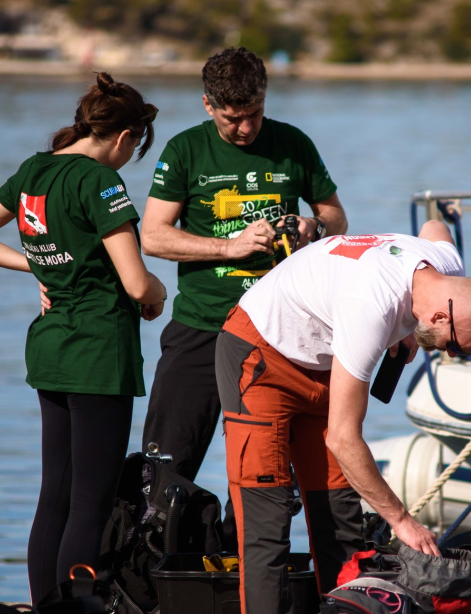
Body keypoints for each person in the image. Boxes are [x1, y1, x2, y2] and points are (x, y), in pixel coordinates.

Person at [215, 220, 471, 614]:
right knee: (267, 524)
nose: (446, 354)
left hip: (322, 365)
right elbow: (343, 438)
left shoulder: (445, 270)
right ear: (440, 316)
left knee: (341, 516)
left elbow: (435, 225)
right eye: (452, 346)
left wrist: (412, 330)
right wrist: (402, 520)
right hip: (259, 355)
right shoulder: (370, 307)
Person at [0, 73, 166, 604]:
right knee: (90, 505)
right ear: (123, 136)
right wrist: (159, 293)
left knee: (55, 498)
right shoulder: (100, 183)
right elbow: (136, 281)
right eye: (134, 145)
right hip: (98, 354)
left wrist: (38, 268)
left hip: (50, 349)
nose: (129, 157)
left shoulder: (34, 171)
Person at [139, 46, 348, 486]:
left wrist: (313, 225)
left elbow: (336, 216)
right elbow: (153, 236)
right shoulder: (185, 150)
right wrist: (228, 248)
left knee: (267, 469)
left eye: (255, 113)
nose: (246, 127)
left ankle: (245, 551)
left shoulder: (294, 143)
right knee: (164, 468)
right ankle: (153, 551)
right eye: (232, 118)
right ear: (208, 105)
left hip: (279, 330)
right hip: (203, 325)